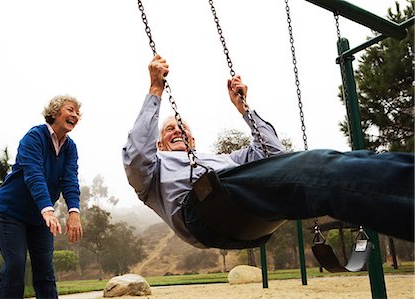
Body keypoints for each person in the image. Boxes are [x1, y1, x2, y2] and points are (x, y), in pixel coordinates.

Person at [122, 54, 414, 250]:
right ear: (159, 144)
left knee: (345, 161)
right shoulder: (153, 169)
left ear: (194, 140)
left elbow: (271, 152)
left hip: (241, 211)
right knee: (318, 168)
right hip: (202, 210)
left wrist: (245, 109)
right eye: (169, 130)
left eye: (182, 128)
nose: (177, 131)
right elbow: (137, 155)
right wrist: (155, 90)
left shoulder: (224, 160)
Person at [0, 95, 84, 299]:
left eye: (78, 112)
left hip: (41, 217)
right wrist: (48, 209)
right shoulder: (34, 137)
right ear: (54, 112)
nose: (75, 115)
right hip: (12, 211)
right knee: (15, 266)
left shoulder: (70, 148)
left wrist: (74, 212)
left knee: (45, 270)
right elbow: (34, 174)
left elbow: (70, 180)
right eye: (70, 110)